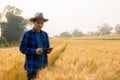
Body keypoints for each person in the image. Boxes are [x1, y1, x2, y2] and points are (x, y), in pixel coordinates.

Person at [19, 12, 52, 80]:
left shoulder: (45, 34)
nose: (40, 25)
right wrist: (34, 51)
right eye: (38, 22)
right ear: (33, 23)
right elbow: (22, 48)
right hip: (32, 67)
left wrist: (48, 50)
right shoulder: (27, 34)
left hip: (43, 66)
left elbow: (47, 48)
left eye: (42, 23)